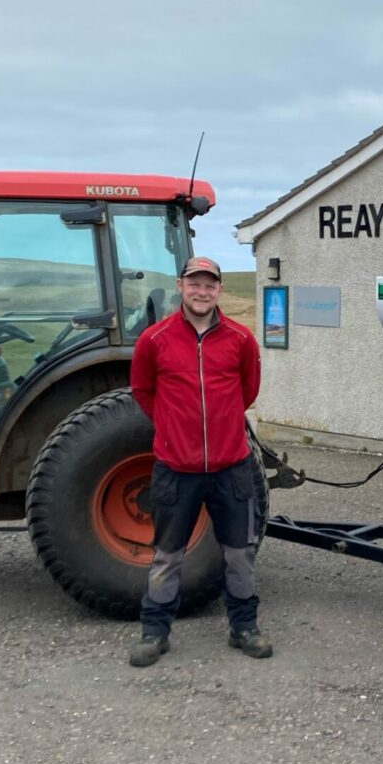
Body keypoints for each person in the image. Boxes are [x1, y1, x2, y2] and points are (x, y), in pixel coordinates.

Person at [126, 255, 270, 667]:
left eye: (210, 284)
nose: (202, 291)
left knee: (239, 552)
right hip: (176, 470)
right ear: (181, 286)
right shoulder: (154, 340)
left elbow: (247, 390)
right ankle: (154, 633)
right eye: (195, 283)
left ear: (219, 290)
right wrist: (173, 429)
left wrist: (221, 430)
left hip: (231, 468)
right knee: (168, 554)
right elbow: (143, 390)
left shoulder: (241, 340)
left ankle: (244, 627)